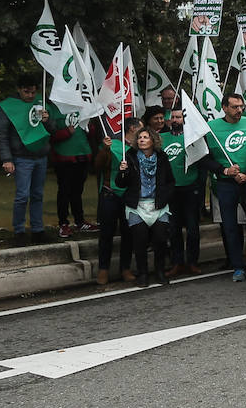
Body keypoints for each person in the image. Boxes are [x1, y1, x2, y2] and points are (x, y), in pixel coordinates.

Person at [200, 93, 246, 282]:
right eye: (234, 107)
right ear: (224, 108)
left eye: (241, 106)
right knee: (230, 226)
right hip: (226, 184)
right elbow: (204, 158)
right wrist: (224, 170)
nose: (239, 110)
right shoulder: (211, 129)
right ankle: (238, 266)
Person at [0, 74, 54, 245]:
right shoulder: (6, 107)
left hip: (40, 156)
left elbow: (52, 128)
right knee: (22, 196)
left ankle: (37, 230)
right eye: (27, 92)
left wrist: (47, 121)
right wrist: (6, 159)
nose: (30, 96)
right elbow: (1, 135)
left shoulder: (40, 103)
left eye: (33, 92)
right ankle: (19, 231)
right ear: (19, 89)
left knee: (38, 195)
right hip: (21, 157)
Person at [115, 127, 174, 286]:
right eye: (139, 137)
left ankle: (160, 271)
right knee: (139, 240)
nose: (141, 139)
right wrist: (122, 172)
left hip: (158, 205)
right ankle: (143, 274)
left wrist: (164, 197)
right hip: (137, 206)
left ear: (153, 140)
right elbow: (120, 183)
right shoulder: (130, 157)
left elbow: (170, 181)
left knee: (160, 239)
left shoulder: (162, 157)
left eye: (145, 137)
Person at [93, 116, 141, 284]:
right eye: (140, 128)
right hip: (111, 194)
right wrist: (105, 150)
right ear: (132, 129)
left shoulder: (140, 148)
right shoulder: (112, 144)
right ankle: (103, 269)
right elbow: (98, 166)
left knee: (128, 233)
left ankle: (125, 268)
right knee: (106, 233)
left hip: (129, 196)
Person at [160, 106, 201, 277]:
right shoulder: (161, 138)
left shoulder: (193, 138)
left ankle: (192, 262)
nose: (176, 120)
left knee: (192, 228)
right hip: (171, 189)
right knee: (173, 228)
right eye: (173, 117)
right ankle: (177, 262)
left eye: (179, 117)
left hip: (190, 187)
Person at [47, 103, 96, 238]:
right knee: (64, 191)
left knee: (78, 191)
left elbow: (90, 131)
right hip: (64, 157)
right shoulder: (53, 108)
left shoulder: (81, 105)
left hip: (82, 154)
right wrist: (65, 133)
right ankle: (63, 223)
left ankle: (79, 221)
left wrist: (89, 127)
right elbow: (49, 134)